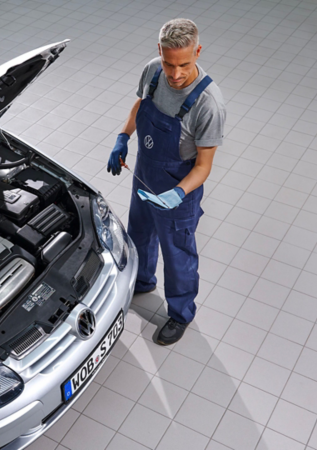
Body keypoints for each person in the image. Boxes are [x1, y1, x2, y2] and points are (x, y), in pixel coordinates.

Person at [107, 18, 226, 345]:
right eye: (169, 63)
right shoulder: (152, 71)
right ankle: (142, 282)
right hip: (145, 174)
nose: (175, 74)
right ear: (159, 52)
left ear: (198, 51)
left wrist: (178, 193)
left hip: (179, 185)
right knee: (139, 233)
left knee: (178, 255)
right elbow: (140, 105)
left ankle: (180, 313)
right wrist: (122, 137)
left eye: (184, 64)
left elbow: (204, 165)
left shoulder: (208, 104)